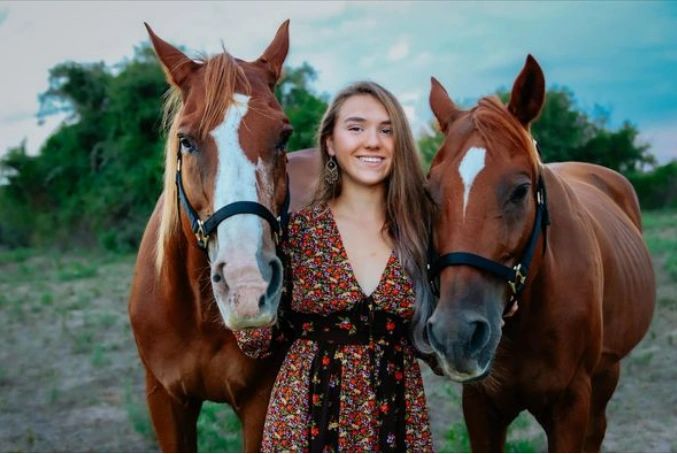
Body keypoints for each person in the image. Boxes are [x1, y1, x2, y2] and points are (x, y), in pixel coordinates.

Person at [235, 81, 434, 452]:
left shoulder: (420, 235)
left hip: (396, 421)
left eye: (387, 130)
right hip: (305, 418)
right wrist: (247, 294)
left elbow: (437, 344)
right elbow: (256, 342)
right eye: (356, 127)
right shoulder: (297, 234)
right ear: (329, 142)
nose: (373, 141)